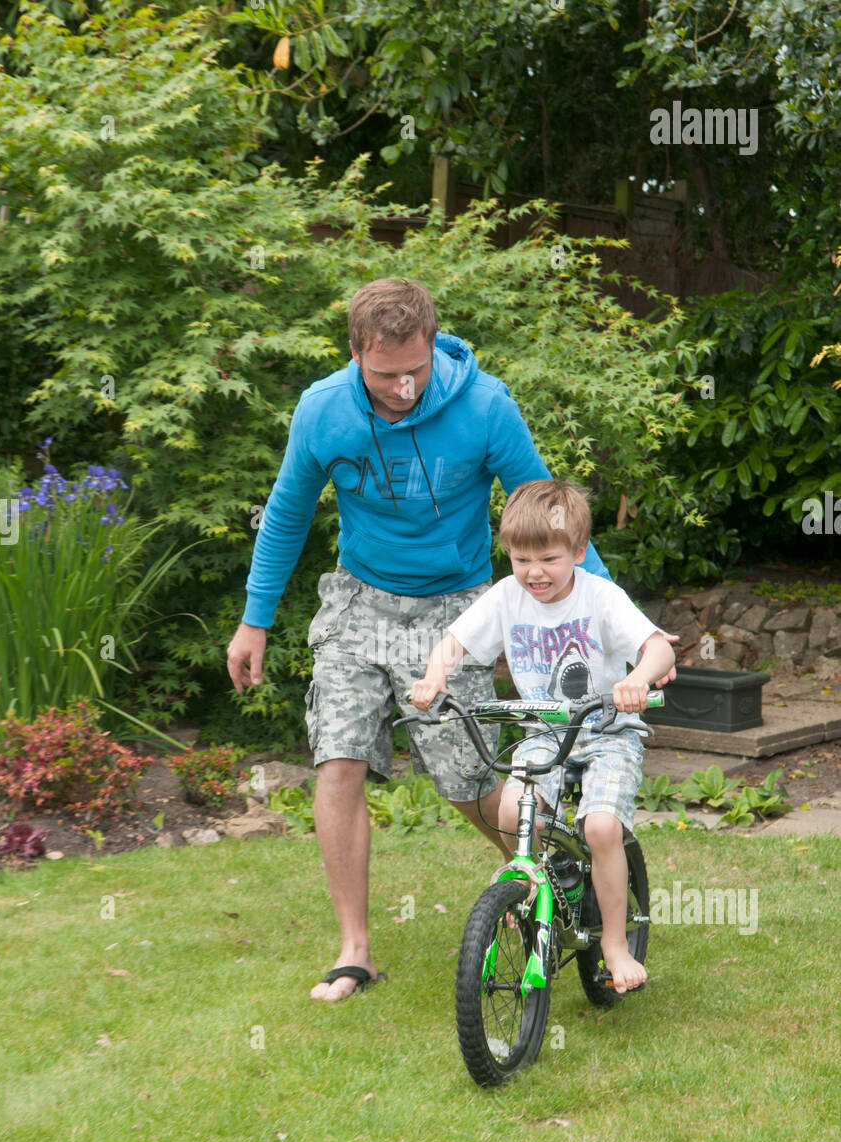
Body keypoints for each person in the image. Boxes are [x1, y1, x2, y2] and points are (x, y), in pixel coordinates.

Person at [227, 278, 674, 1001]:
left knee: (471, 787)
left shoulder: (485, 406)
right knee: (336, 759)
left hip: (455, 605)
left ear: (433, 345)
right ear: (353, 353)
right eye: (384, 374)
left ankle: (551, 879)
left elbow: (553, 522)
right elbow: (285, 514)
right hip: (357, 599)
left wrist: (619, 625)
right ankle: (354, 952)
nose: (402, 388)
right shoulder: (323, 411)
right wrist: (255, 619)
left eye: (415, 368)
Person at [411, 478, 675, 994]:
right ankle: (538, 878)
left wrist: (635, 680)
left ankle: (615, 944)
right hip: (546, 734)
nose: (534, 573)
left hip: (607, 732)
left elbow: (659, 649)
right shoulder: (507, 598)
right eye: (521, 559)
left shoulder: (601, 598)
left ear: (579, 551)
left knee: (600, 828)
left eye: (550, 559)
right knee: (511, 810)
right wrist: (434, 677)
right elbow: (455, 641)